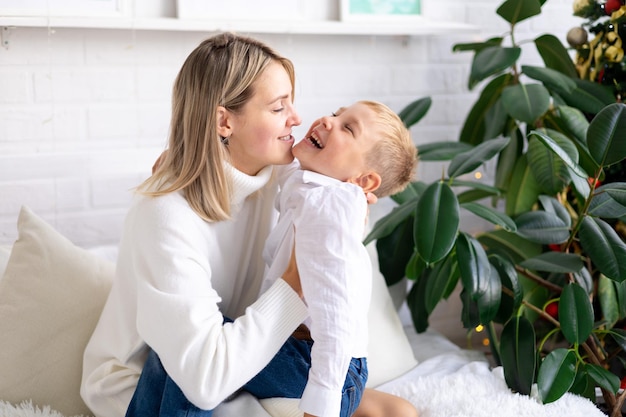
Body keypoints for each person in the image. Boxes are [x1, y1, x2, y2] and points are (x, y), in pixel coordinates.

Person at [80, 32, 416, 417]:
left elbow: (335, 190)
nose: (298, 118)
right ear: (224, 121)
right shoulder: (166, 212)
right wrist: (294, 280)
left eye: (291, 102)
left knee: (395, 410)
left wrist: (346, 199)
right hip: (155, 380)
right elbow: (203, 378)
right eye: (278, 108)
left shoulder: (280, 174)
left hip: (233, 353)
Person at [247, 100, 418, 417]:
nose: (328, 120)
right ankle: (363, 400)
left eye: (347, 128)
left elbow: (336, 319)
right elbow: (274, 165)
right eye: (337, 114)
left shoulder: (328, 211)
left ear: (364, 181)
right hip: (316, 356)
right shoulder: (314, 185)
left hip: (310, 356)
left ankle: (343, 396)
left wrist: (321, 405)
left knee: (207, 348)